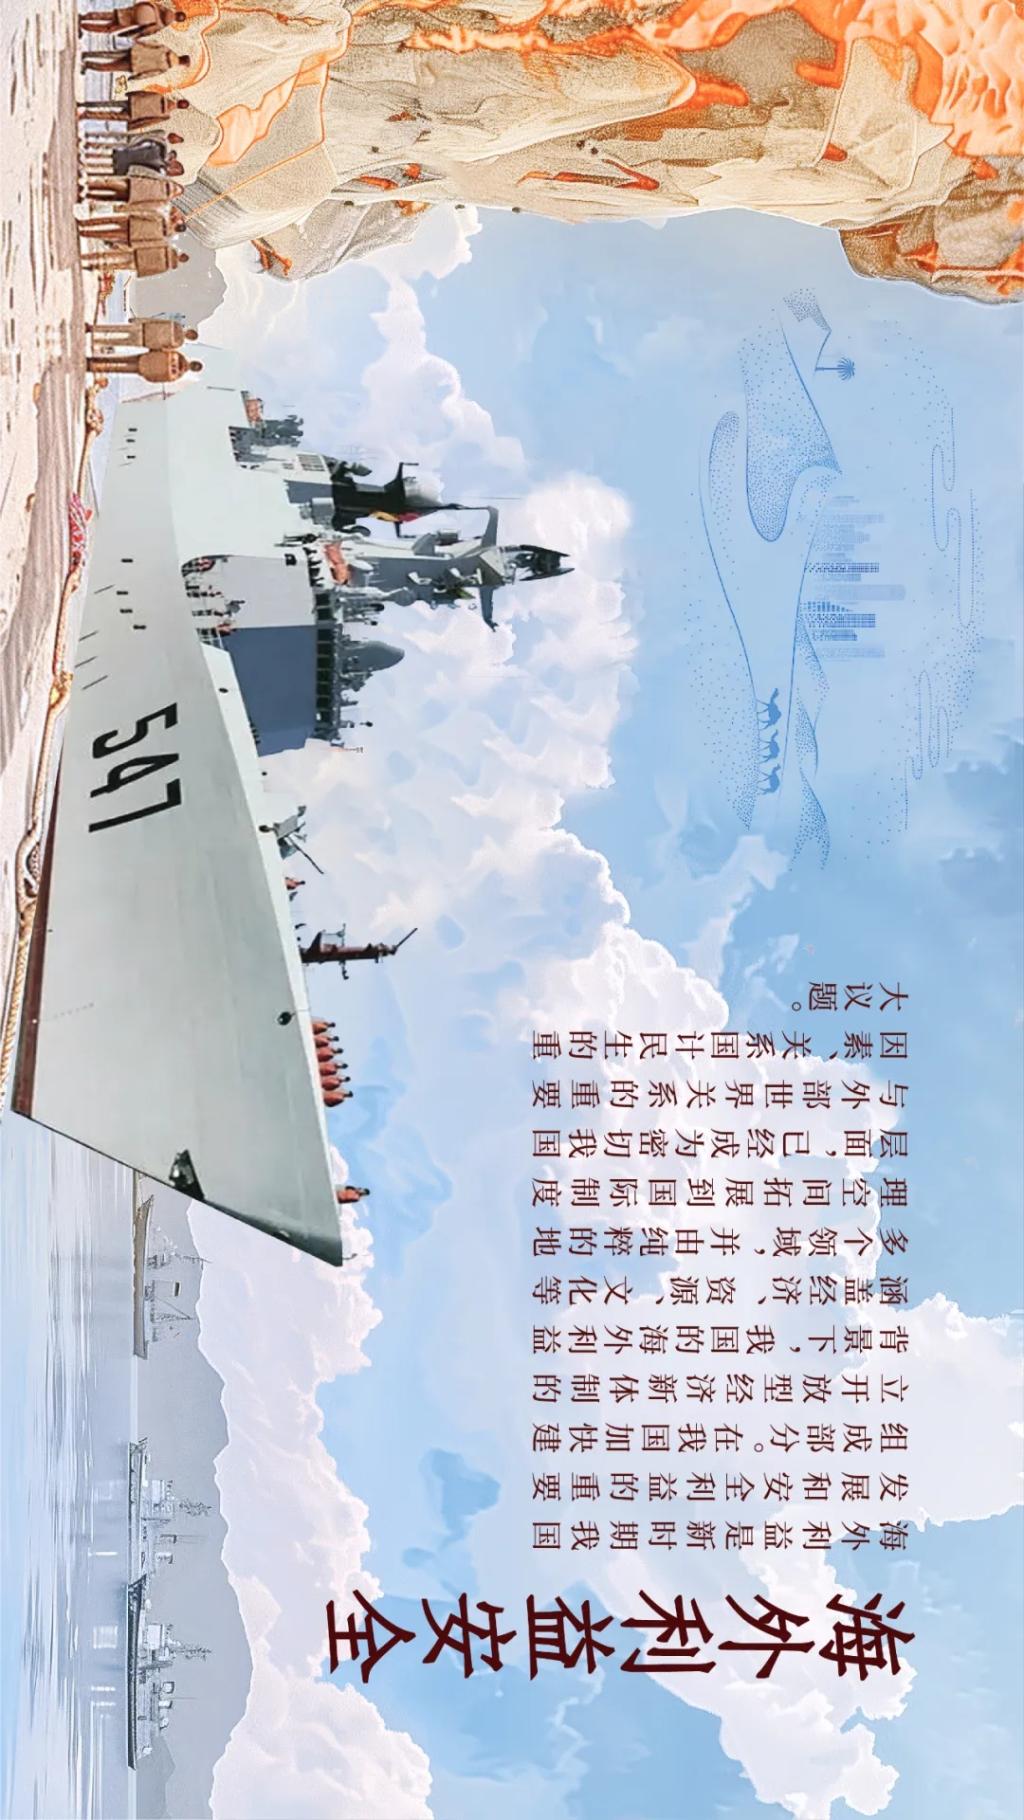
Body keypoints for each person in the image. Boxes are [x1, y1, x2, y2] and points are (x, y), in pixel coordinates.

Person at [77, 206, 187, 244]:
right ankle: (86, 230)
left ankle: (86, 227)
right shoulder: (167, 231)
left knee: (110, 225)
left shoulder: (166, 228)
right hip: (134, 227)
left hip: (134, 227)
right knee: (110, 229)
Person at [86, 348, 203, 382]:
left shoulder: (177, 355)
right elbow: (158, 379)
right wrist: (148, 376)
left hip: (146, 358)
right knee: (118, 368)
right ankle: (92, 367)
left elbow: (160, 349)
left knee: (120, 359)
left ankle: (93, 361)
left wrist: (151, 353)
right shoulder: (177, 375)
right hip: (145, 369)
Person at [82, 138, 185, 176]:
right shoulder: (160, 150)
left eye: (174, 169)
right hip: (127, 157)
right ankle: (86, 158)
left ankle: (86, 163)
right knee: (106, 158)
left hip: (126, 161)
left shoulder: (159, 169)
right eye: (175, 166)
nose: (172, 167)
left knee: (105, 161)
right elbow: (144, 142)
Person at [89, 317, 199, 350]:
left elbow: (163, 348)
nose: (189, 335)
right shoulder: (176, 325)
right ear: (190, 330)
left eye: (191, 337)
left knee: (119, 341)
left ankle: (98, 342)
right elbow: (156, 321)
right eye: (191, 334)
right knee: (117, 329)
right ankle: (94, 329)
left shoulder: (178, 343)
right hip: (143, 328)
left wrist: (150, 348)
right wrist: (139, 320)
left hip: (144, 341)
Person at [77, 90, 189, 122]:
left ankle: (83, 104)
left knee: (108, 104)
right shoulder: (165, 115)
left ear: (179, 100)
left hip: (133, 102)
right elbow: (149, 120)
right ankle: (86, 116)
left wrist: (131, 94)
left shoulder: (160, 96)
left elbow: (143, 93)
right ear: (180, 108)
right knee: (111, 116)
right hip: (135, 114)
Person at [81, 43, 191, 74]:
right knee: (109, 67)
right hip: (135, 66)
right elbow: (148, 73)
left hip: (135, 52)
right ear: (181, 64)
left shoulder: (166, 49)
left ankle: (87, 54)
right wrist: (136, 77)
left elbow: (150, 44)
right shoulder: (165, 68)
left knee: (110, 54)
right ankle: (88, 65)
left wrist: (138, 42)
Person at [79, 3, 187, 35]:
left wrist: (135, 7)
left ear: (176, 12)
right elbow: (147, 30)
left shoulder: (163, 8)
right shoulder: (162, 25)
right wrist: (135, 34)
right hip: (134, 21)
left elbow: (147, 3)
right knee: (109, 28)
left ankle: (83, 17)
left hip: (136, 10)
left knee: (107, 15)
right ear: (177, 20)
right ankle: (83, 26)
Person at [79, 244, 189, 274]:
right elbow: (155, 270)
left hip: (140, 254)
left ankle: (89, 258)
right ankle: (96, 267)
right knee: (117, 266)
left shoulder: (170, 250)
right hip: (140, 264)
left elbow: (153, 247)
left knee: (114, 255)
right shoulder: (171, 266)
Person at [82, 173, 183, 203]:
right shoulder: (162, 179)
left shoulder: (164, 199)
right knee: (110, 184)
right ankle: (88, 185)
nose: (172, 189)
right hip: (134, 185)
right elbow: (148, 175)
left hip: (135, 196)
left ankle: (88, 194)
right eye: (175, 187)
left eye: (174, 191)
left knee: (110, 197)